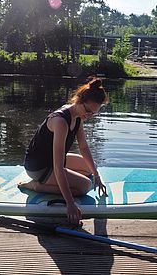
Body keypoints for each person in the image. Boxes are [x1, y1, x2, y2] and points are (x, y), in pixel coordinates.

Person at [19, 77, 108, 225]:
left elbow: (84, 146)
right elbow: (58, 167)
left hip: (52, 160)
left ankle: (59, 180)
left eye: (93, 113)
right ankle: (35, 185)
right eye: (87, 111)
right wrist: (70, 203)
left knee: (90, 168)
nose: (88, 116)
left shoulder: (78, 115)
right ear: (79, 100)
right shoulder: (60, 122)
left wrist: (96, 175)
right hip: (39, 167)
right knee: (85, 186)